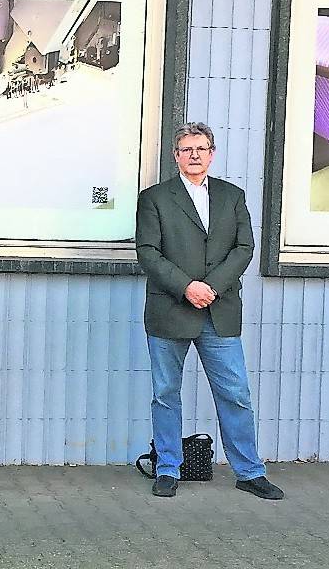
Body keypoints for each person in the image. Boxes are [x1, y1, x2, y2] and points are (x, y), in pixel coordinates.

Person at [135, 122, 282, 500]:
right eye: (186, 149)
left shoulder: (233, 196)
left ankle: (249, 471)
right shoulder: (155, 199)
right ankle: (168, 467)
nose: (194, 155)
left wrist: (211, 287)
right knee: (166, 393)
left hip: (219, 310)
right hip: (171, 309)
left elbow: (244, 248)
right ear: (176, 155)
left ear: (212, 153)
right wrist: (187, 287)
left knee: (235, 393)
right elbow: (148, 252)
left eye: (201, 148)